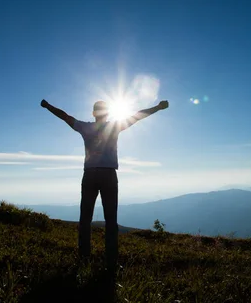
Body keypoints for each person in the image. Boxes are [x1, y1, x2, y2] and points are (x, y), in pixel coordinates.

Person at [40, 98, 169, 271]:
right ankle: (111, 260)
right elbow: (137, 116)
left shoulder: (85, 127)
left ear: (93, 113)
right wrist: (158, 108)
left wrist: (48, 106)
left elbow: (65, 116)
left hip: (90, 175)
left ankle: (84, 257)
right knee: (111, 219)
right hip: (108, 175)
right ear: (108, 113)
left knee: (85, 218)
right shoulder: (114, 127)